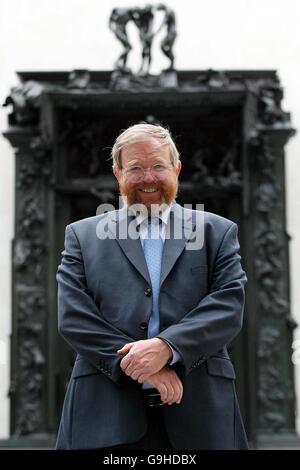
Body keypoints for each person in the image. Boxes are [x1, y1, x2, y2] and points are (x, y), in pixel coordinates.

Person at [55, 123, 248, 450]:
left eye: (158, 166)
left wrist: (167, 348)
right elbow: (74, 316)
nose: (148, 177)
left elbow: (228, 305)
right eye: (136, 168)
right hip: (104, 412)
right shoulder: (81, 236)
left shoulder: (218, 231)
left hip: (200, 412)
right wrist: (139, 367)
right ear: (118, 173)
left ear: (177, 168)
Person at [131, 5, 154, 76]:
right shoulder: (141, 15)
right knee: (145, 51)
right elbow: (138, 25)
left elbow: (150, 25)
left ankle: (146, 69)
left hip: (147, 34)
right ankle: (143, 68)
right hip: (143, 34)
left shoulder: (150, 15)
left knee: (148, 51)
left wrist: (148, 34)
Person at [156, 4, 177, 70]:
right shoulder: (168, 11)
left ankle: (172, 62)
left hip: (172, 33)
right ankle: (171, 62)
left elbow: (163, 23)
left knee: (166, 47)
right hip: (170, 33)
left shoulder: (169, 11)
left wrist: (155, 33)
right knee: (164, 47)